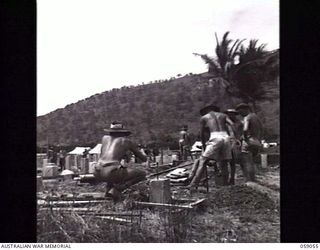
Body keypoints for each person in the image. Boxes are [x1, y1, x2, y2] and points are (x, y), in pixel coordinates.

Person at [93, 122, 147, 201]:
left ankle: (108, 192)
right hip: (111, 172)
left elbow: (105, 154)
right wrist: (143, 152)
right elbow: (143, 159)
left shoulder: (104, 138)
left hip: (97, 170)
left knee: (113, 174)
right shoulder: (126, 141)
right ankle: (117, 189)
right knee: (142, 174)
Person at [188, 104, 233, 190]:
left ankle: (193, 185)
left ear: (206, 110)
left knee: (203, 161)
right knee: (224, 162)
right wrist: (233, 137)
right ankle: (226, 186)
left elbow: (201, 134)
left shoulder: (204, 117)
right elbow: (232, 124)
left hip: (215, 136)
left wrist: (204, 146)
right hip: (226, 136)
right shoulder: (223, 115)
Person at [235, 103, 263, 182]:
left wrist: (244, 137)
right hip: (256, 141)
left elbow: (245, 129)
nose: (241, 114)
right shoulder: (256, 117)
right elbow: (262, 128)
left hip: (249, 141)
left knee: (246, 161)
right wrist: (259, 139)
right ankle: (253, 179)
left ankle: (249, 180)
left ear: (245, 109)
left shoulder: (247, 117)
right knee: (251, 161)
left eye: (241, 112)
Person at [224, 109, 243, 185]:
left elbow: (241, 133)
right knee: (224, 161)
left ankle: (232, 178)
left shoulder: (239, 123)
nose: (230, 115)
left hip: (235, 142)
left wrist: (239, 140)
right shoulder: (224, 123)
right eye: (229, 114)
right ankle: (225, 178)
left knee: (233, 162)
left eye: (232, 114)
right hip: (226, 142)